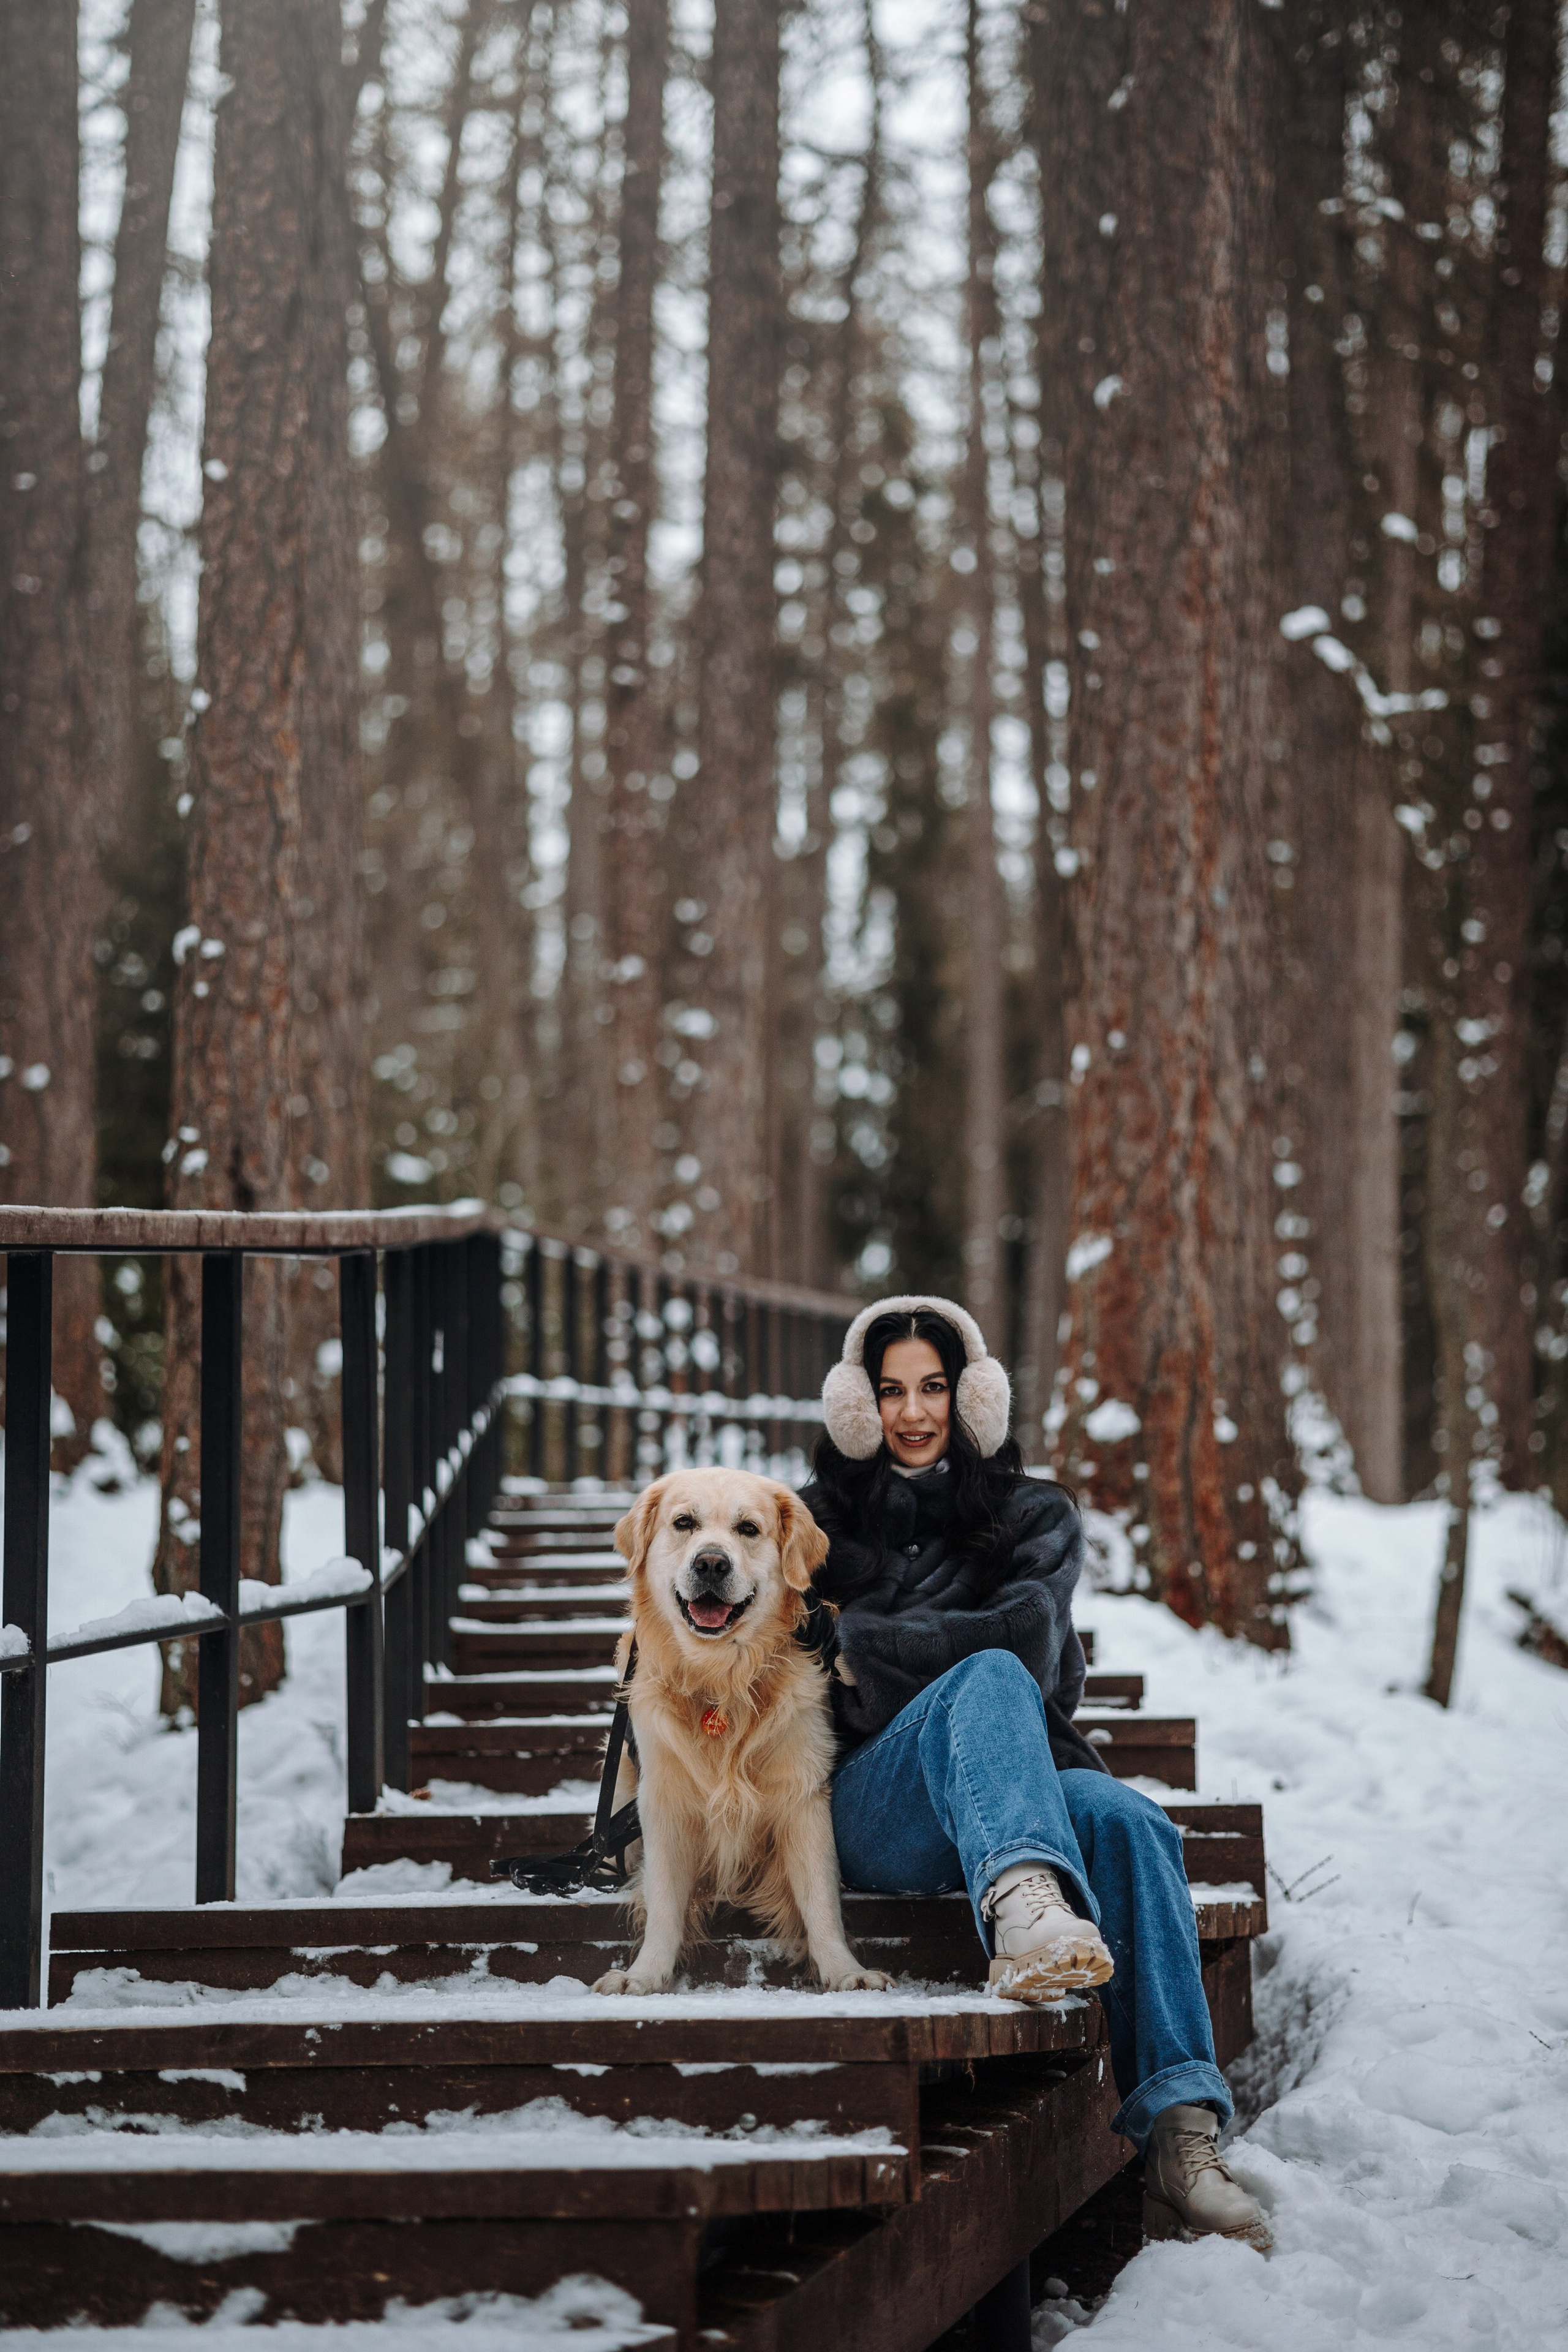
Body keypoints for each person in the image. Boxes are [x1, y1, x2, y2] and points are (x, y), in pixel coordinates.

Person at [800, 1295, 1271, 2252]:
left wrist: (859, 1640)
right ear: (858, 1403)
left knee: (1130, 1820)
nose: (913, 1413)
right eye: (890, 1392)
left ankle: (1181, 2142)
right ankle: (1025, 1906)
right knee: (984, 1673)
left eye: (933, 1387)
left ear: (972, 1396)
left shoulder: (1035, 1513)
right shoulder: (811, 1524)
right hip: (875, 1804)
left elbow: (1029, 1634)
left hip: (1025, 1778)